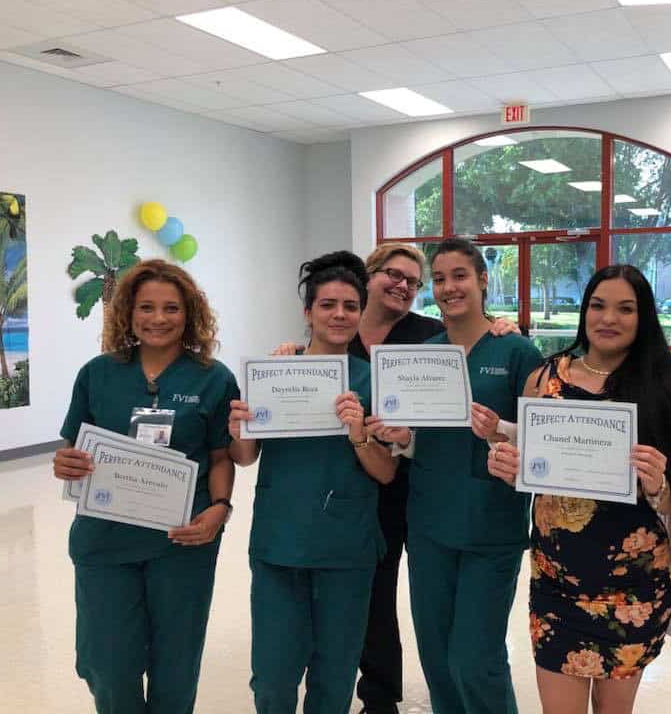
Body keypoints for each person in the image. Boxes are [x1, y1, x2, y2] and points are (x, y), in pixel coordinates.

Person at [271, 242, 517, 714]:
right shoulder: (336, 333)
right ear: (369, 276)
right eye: (393, 274)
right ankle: (378, 696)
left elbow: (473, 334)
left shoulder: (426, 334)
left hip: (418, 481)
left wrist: (503, 325)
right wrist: (290, 354)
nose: (403, 285)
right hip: (361, 487)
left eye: (413, 280)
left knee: (451, 626)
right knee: (375, 598)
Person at [481, 264, 671, 713]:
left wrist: (658, 485)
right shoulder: (545, 378)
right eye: (598, 305)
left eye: (625, 308)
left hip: (633, 587)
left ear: (643, 317)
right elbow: (535, 468)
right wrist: (510, 466)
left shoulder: (663, 387)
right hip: (558, 579)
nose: (608, 319)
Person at [52, 259, 239, 714]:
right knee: (107, 663)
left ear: (190, 314)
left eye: (171, 308)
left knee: (177, 662)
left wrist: (220, 508)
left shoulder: (214, 378)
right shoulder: (98, 373)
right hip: (105, 541)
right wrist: (65, 463)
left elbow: (219, 457)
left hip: (182, 540)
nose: (158, 318)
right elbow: (71, 449)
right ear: (128, 313)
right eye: (146, 307)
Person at [372, 238, 543, 714]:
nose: (450, 287)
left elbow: (538, 441)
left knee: (474, 658)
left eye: (460, 276)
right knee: (437, 655)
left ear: (483, 280)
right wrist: (399, 436)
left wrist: (499, 431)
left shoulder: (516, 351)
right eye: (441, 278)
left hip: (491, 526)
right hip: (429, 522)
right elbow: (416, 438)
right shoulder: (423, 353)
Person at [228, 251, 397, 714]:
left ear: (361, 312)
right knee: (274, 678)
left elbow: (386, 471)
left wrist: (359, 433)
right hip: (280, 545)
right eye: (327, 305)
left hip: (348, 549)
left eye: (349, 305)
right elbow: (245, 459)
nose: (339, 314)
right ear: (308, 312)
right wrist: (238, 428)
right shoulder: (273, 374)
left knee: (335, 674)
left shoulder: (372, 380)